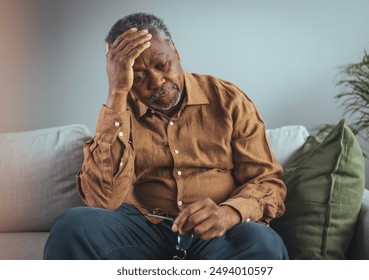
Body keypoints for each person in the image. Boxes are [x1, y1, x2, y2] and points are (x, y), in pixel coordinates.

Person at [43, 12, 288, 260]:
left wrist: (229, 213)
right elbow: (102, 200)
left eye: (162, 65)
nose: (158, 81)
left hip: (218, 230)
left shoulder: (229, 100)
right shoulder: (118, 112)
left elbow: (267, 183)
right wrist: (117, 92)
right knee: (72, 226)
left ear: (176, 52)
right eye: (139, 76)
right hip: (141, 228)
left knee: (264, 243)